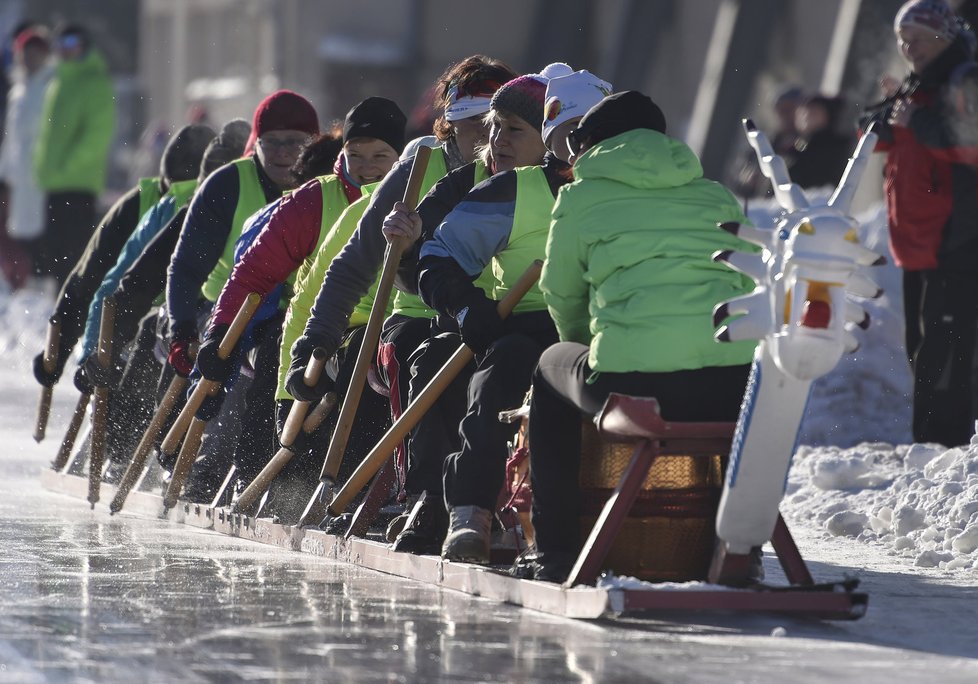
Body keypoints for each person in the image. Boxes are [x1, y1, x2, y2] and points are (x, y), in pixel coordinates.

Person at [524, 91, 756, 582]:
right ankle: (739, 554)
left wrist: (588, 345)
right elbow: (747, 286)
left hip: (635, 388)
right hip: (733, 387)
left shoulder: (579, 196)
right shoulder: (716, 194)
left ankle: (556, 553)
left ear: (588, 148)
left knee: (549, 370)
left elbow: (561, 293)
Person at [192, 98, 405, 503]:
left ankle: (377, 489)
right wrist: (219, 333)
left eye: (381, 156)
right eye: (355, 154)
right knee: (274, 349)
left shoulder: (424, 195)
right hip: (318, 326)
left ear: (400, 158)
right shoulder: (311, 201)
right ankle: (267, 475)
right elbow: (254, 276)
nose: (367, 166)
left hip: (389, 327)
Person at [405, 71, 571, 563]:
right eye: (494, 127)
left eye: (513, 130)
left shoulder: (595, 189)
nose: (495, 140)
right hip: (511, 323)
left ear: (553, 138)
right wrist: (465, 306)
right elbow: (433, 260)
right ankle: (458, 510)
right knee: (487, 370)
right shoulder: (502, 191)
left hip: (583, 328)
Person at [860, 0, 978, 447]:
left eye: (916, 37)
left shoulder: (962, 77)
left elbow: (970, 144)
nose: (907, 47)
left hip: (955, 238)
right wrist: (892, 106)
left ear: (942, 36)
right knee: (924, 348)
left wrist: (917, 120)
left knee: (947, 350)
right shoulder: (918, 84)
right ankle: (932, 444)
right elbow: (870, 134)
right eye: (901, 39)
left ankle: (946, 446)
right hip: (918, 242)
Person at [32, 23, 115, 288]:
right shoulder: (58, 82)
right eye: (61, 45)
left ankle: (75, 319)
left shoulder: (94, 82)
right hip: (54, 184)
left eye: (72, 44)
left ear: (84, 47)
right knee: (55, 259)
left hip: (78, 185)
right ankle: (60, 319)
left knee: (75, 258)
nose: (65, 51)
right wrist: (44, 169)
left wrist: (66, 167)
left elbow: (96, 136)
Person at [0, 28, 52, 283]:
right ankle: (23, 279)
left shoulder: (50, 87)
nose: (30, 59)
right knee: (19, 230)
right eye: (25, 54)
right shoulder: (18, 90)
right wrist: (5, 172)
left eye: (35, 53)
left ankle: (41, 278)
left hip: (42, 173)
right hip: (19, 174)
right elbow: (11, 137)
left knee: (42, 229)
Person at [787, 94, 854, 189]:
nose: (807, 116)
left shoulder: (835, 146)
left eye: (814, 112)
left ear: (827, 116)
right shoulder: (797, 147)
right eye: (804, 112)